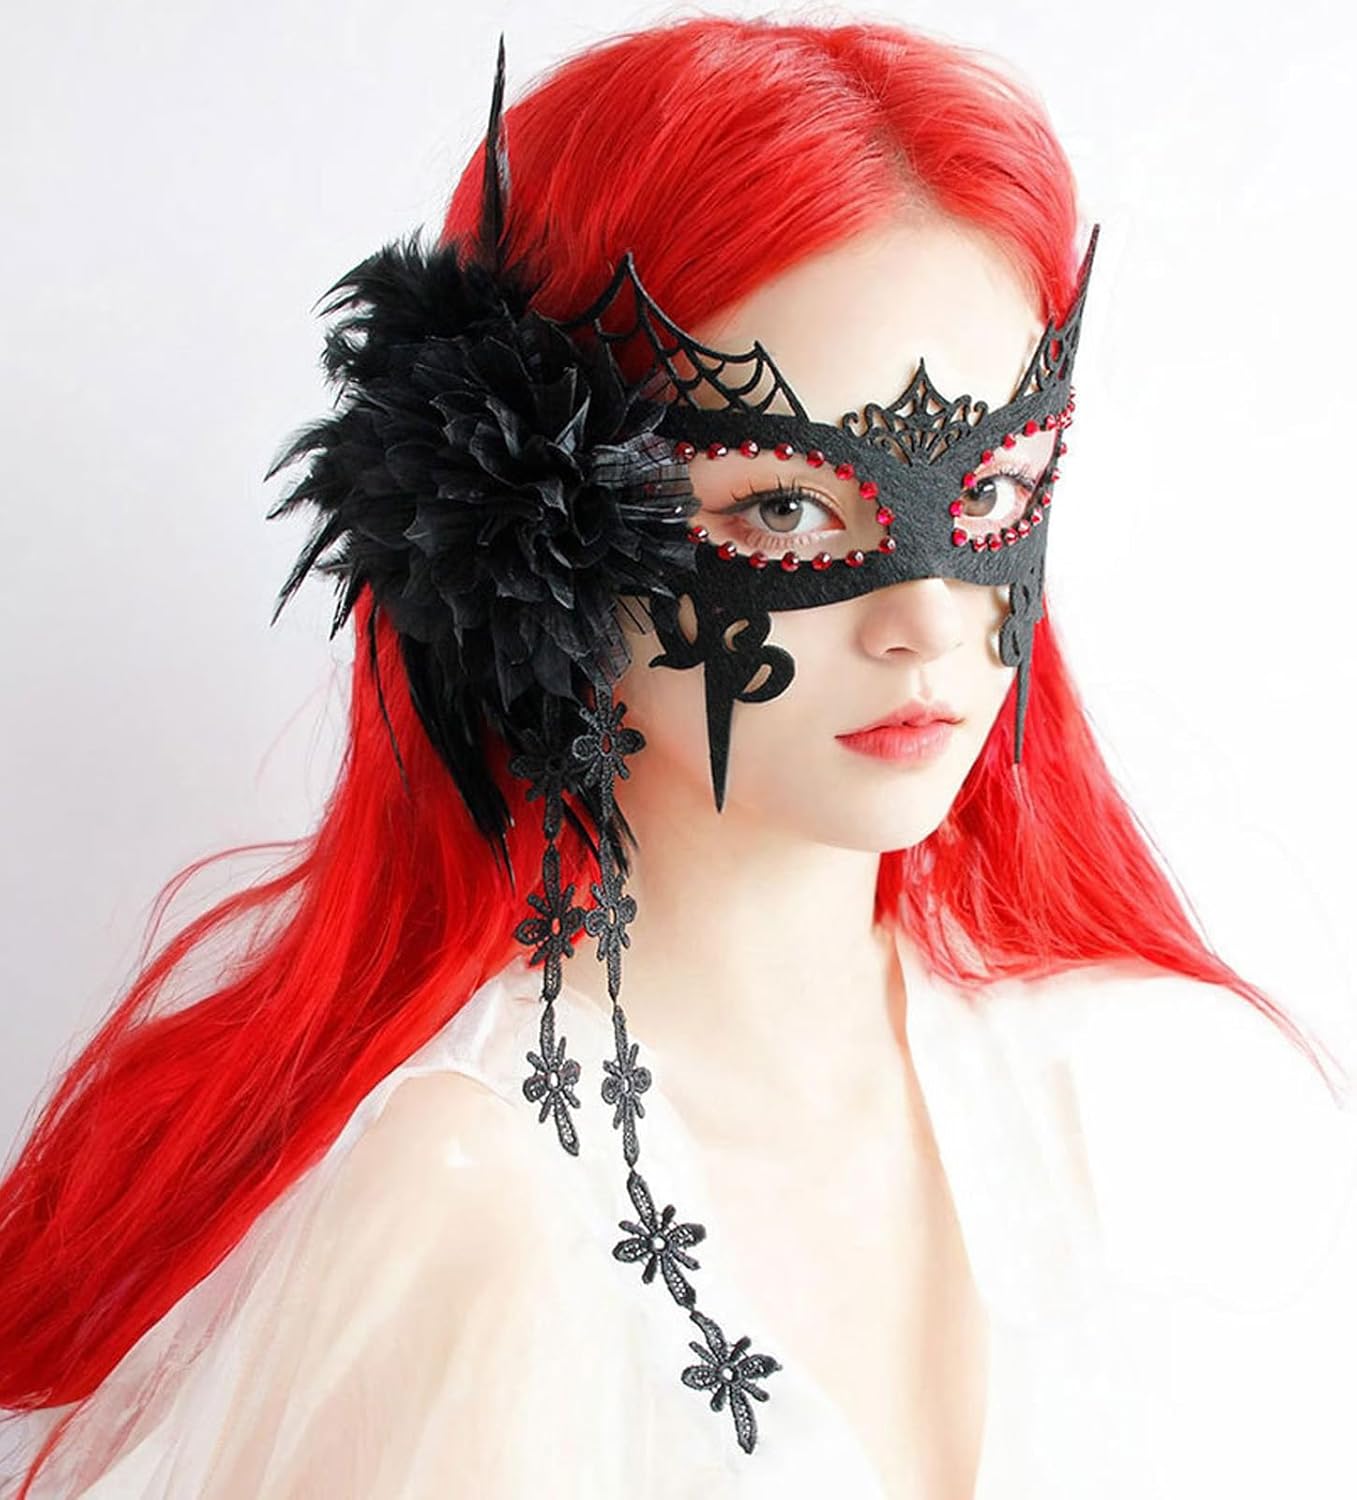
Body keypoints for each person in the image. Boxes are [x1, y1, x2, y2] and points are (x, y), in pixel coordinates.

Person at [0, 16, 1346, 1500]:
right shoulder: (482, 1207)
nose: (922, 619)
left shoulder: (1149, 1103)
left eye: (991, 493)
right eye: (783, 508)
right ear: (531, 523)